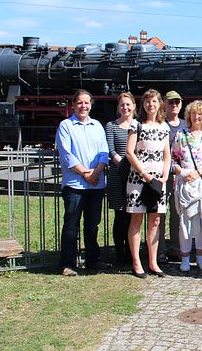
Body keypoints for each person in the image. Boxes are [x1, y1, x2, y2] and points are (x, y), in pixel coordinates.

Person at [56, 90, 110, 276]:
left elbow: (104, 152)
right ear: (73, 104)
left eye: (86, 103)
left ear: (91, 104)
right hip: (75, 185)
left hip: (96, 184)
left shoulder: (98, 126)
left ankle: (92, 260)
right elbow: (66, 155)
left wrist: (95, 173)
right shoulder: (66, 126)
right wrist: (86, 174)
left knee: (92, 225)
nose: (83, 106)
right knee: (71, 225)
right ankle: (67, 264)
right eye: (80, 103)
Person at [125, 89, 171, 278]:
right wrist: (144, 173)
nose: (151, 105)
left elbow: (166, 154)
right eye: (147, 102)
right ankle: (136, 262)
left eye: (154, 101)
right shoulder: (136, 125)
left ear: (159, 104)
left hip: (158, 179)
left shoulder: (164, 127)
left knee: (155, 221)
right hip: (139, 179)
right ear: (143, 105)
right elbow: (129, 152)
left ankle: (153, 262)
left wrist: (165, 175)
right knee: (137, 219)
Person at [171, 100, 202, 272]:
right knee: (185, 222)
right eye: (193, 113)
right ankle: (185, 258)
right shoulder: (181, 134)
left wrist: (197, 173)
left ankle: (200, 256)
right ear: (189, 115)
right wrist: (183, 173)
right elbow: (174, 159)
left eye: (200, 114)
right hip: (185, 184)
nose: (196, 116)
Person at [105, 92, 135, 266]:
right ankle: (119, 253)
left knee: (133, 216)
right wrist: (124, 164)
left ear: (133, 107)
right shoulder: (111, 126)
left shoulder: (138, 125)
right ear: (119, 107)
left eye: (128, 104)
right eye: (122, 105)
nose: (125, 107)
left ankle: (132, 252)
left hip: (134, 175)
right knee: (120, 215)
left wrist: (134, 168)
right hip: (118, 174)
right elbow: (111, 149)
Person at [160, 90, 187, 263]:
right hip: (163, 174)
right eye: (171, 102)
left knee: (178, 212)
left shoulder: (185, 124)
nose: (174, 105)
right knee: (160, 212)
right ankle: (160, 250)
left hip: (180, 174)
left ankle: (176, 248)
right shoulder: (160, 123)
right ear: (164, 104)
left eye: (177, 102)